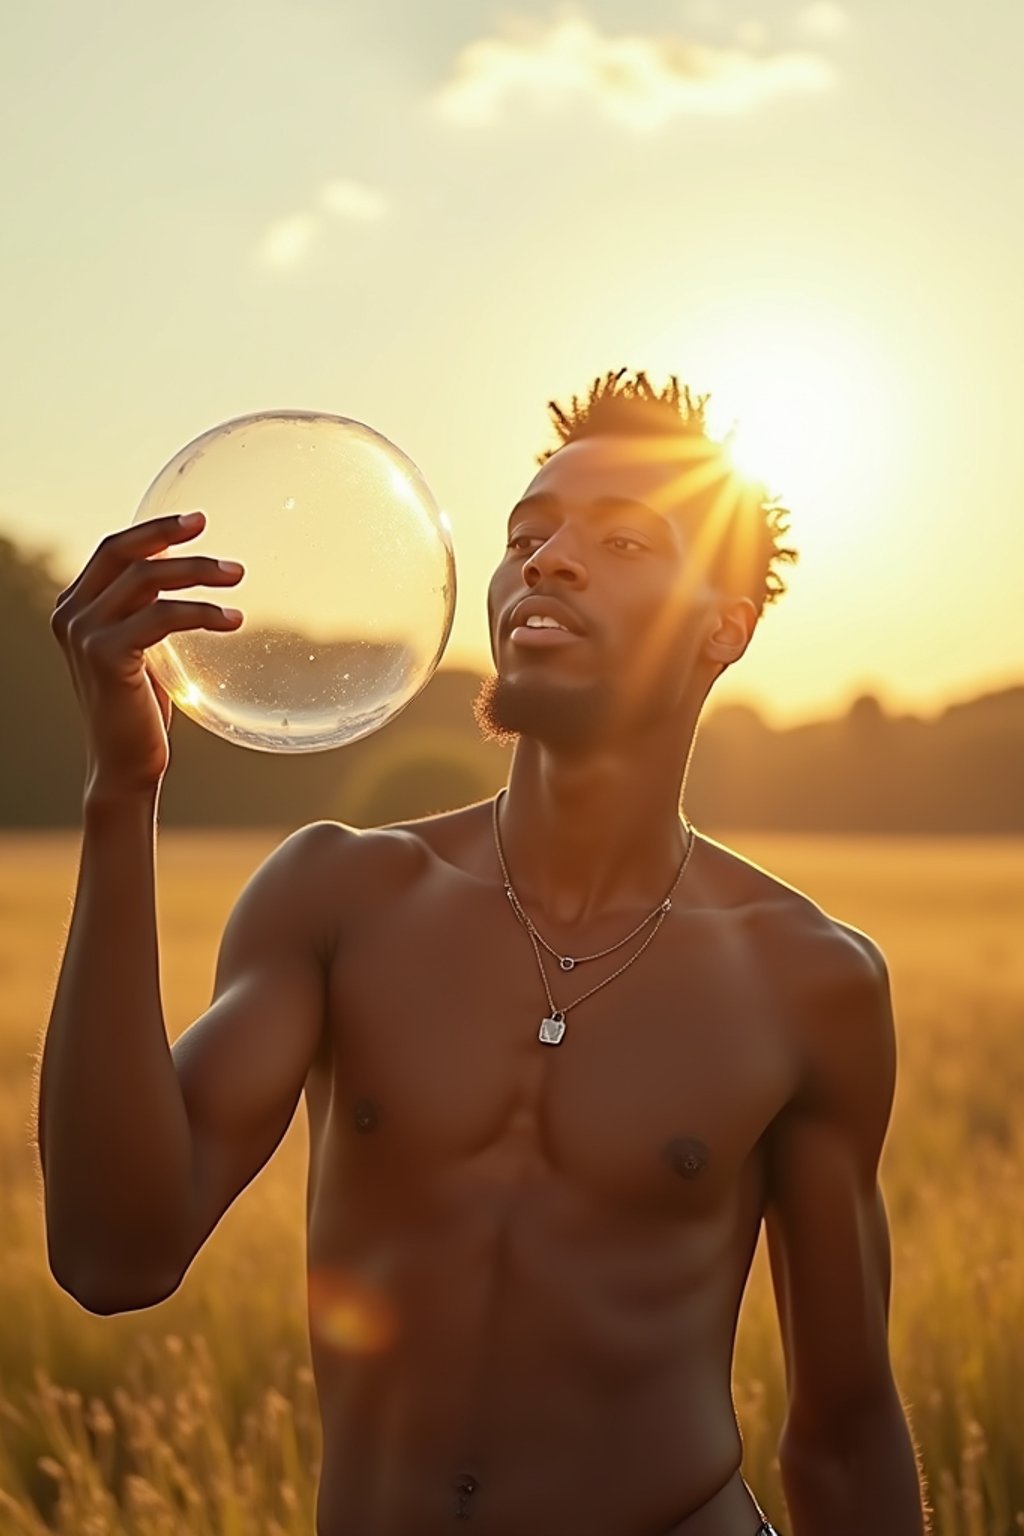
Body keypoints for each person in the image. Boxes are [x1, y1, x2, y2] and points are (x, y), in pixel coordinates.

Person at [37, 370, 929, 1535]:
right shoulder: (340, 895)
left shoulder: (808, 981)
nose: (548, 559)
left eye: (621, 540)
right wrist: (122, 791)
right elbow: (115, 1256)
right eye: (528, 532)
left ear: (724, 625)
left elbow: (848, 1431)